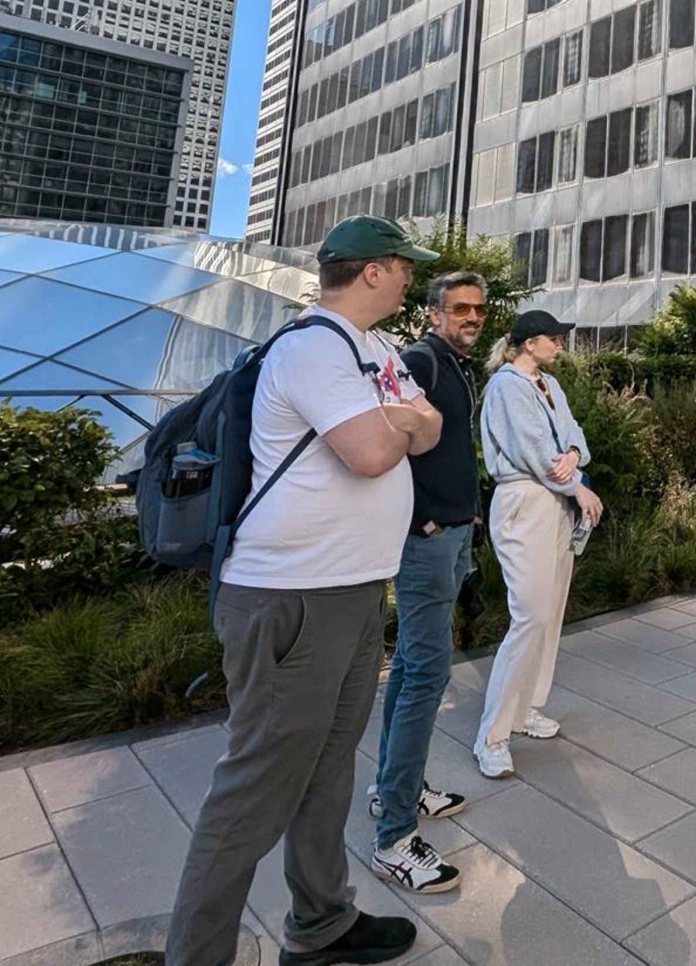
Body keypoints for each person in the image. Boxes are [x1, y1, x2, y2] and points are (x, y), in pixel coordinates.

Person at [164, 216, 442, 966]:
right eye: (404, 265)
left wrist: (408, 419)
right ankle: (195, 957)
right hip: (291, 600)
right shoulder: (314, 346)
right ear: (373, 271)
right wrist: (403, 420)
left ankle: (322, 923)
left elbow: (432, 424)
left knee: (329, 766)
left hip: (353, 593)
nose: (412, 277)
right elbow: (374, 451)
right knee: (253, 791)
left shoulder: (378, 350)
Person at [366, 272, 490, 895]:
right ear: (435, 311)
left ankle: (400, 787)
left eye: (479, 309)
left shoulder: (457, 366)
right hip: (428, 540)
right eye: (460, 307)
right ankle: (392, 837)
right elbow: (387, 443)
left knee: (415, 666)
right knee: (425, 676)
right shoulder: (419, 360)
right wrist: (423, 517)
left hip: (454, 531)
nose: (472, 316)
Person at [472, 309, 603, 778]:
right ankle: (493, 735)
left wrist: (572, 458)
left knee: (550, 612)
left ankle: (527, 707)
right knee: (531, 615)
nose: (560, 345)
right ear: (529, 343)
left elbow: (576, 440)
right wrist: (578, 485)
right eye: (553, 338)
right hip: (524, 502)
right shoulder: (507, 386)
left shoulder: (550, 385)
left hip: (555, 503)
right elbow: (531, 450)